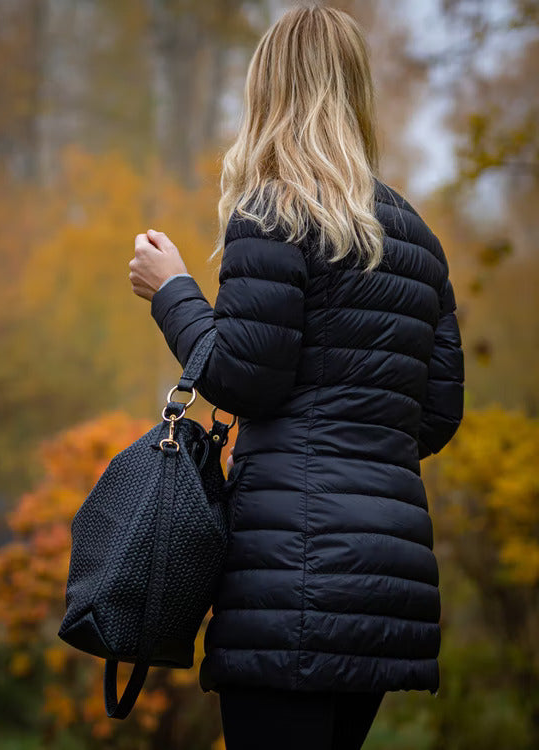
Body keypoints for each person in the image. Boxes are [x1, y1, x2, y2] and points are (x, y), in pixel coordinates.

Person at [128, 5, 465, 749]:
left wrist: (173, 290)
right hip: (388, 589)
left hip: (291, 584)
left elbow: (248, 381)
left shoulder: (273, 210)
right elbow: (436, 416)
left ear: (269, 90)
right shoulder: (417, 240)